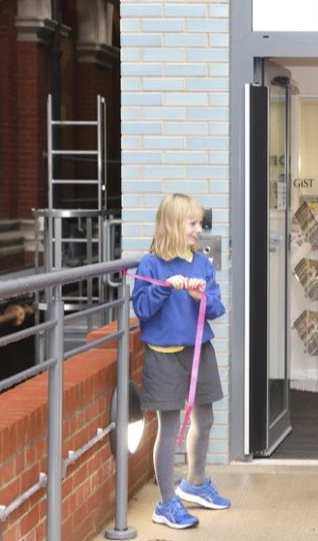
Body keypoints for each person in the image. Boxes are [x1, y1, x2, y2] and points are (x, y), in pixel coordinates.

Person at [131, 193, 230, 530]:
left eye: (200, 223)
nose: (198, 230)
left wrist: (200, 296)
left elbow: (217, 309)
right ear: (174, 224)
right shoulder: (151, 265)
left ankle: (196, 483)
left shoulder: (202, 264)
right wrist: (163, 288)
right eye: (192, 223)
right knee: (169, 426)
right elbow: (142, 310)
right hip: (163, 356)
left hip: (200, 351)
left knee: (205, 417)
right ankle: (166, 502)